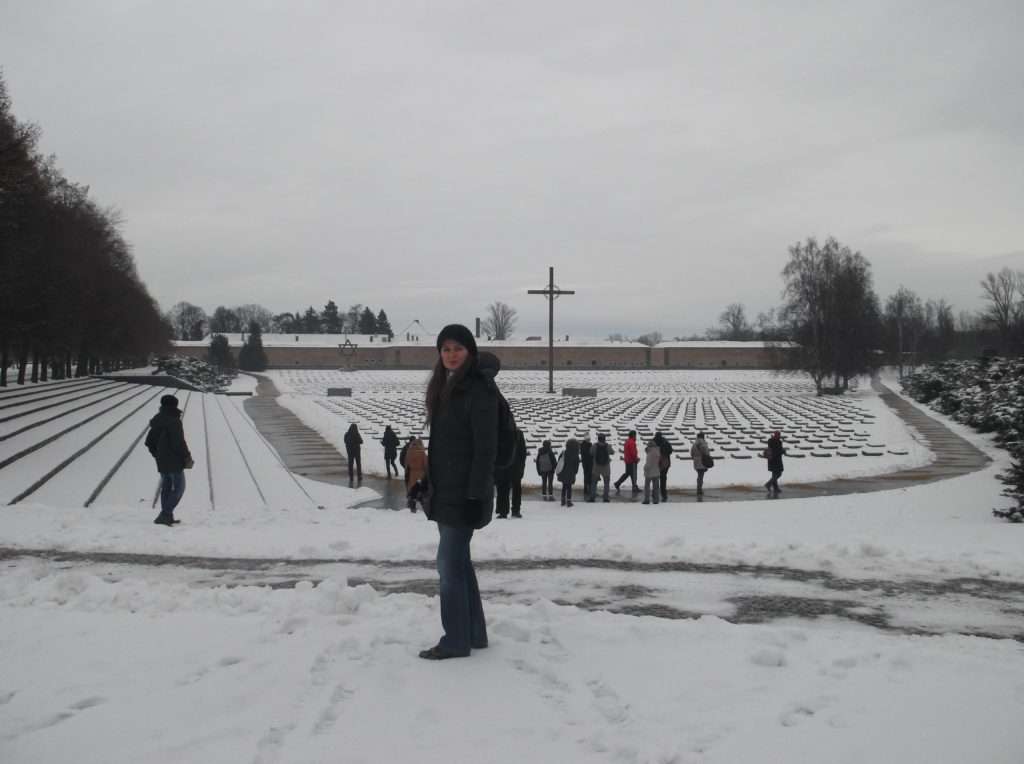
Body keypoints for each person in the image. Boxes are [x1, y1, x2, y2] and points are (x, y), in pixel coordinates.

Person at [419, 324, 498, 660]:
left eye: (458, 348)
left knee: (448, 566)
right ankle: (474, 634)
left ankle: (456, 640)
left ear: (470, 352)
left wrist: (474, 496)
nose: (451, 355)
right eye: (446, 349)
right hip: (446, 491)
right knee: (459, 564)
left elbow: (485, 448)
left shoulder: (478, 390)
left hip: (463, 495)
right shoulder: (447, 386)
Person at [144, 394, 193, 526]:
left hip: (162, 461)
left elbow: (149, 442)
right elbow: (179, 443)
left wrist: (157, 454)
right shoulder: (174, 421)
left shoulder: (157, 420)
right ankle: (165, 514)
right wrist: (187, 456)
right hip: (174, 461)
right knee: (179, 488)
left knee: (166, 487)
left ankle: (168, 516)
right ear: (174, 405)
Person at [496, 428, 527, 518]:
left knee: (503, 490)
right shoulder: (519, 433)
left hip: (504, 467)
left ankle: (503, 511)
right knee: (516, 490)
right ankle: (515, 510)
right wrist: (522, 466)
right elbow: (523, 452)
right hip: (516, 467)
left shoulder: (500, 432)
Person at [404, 437, 427, 511]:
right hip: (421, 473)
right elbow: (426, 464)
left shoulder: (409, 452)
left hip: (412, 473)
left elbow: (406, 463)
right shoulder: (422, 453)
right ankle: (424, 506)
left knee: (413, 489)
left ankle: (412, 506)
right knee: (421, 490)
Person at [557, 437, 581, 507]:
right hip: (571, 473)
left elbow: (559, 461)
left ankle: (562, 500)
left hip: (563, 472)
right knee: (569, 487)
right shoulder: (576, 455)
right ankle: (569, 501)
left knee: (564, 486)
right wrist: (575, 472)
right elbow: (576, 465)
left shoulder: (563, 453)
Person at [592, 434, 614, 502]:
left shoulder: (595, 446)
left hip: (596, 467)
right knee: (606, 483)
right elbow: (612, 452)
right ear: (604, 439)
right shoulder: (607, 446)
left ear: (598, 439)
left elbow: (591, 452)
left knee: (594, 483)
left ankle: (592, 497)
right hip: (606, 467)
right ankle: (605, 497)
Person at [764, 431, 786, 495]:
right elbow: (774, 450)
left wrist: (782, 451)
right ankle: (770, 485)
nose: (779, 436)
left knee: (778, 474)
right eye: (777, 435)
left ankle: (772, 486)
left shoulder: (779, 442)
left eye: (779, 435)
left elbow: (779, 449)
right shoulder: (771, 441)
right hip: (773, 460)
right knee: (775, 474)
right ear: (775, 435)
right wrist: (781, 451)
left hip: (778, 459)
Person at [654, 431, 673, 502]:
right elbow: (670, 451)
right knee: (663, 479)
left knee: (655, 478)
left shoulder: (653, 442)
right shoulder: (665, 442)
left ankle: (654, 494)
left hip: (656, 463)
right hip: (665, 463)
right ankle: (664, 495)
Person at [690, 432, 711, 496]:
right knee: (701, 476)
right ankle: (699, 490)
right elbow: (706, 453)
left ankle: (699, 489)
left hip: (696, 462)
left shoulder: (694, 444)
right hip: (702, 461)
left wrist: (695, 458)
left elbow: (692, 453)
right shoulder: (703, 443)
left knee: (700, 475)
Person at [642, 438, 661, 504]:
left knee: (647, 486)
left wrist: (644, 468)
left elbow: (648, 464)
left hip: (649, 473)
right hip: (656, 471)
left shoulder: (650, 453)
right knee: (656, 487)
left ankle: (647, 499)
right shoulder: (658, 451)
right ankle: (656, 500)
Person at [580, 436, 595, 502]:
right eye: (588, 439)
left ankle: (586, 489)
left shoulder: (582, 445)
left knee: (586, 476)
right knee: (588, 476)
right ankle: (588, 490)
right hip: (588, 463)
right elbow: (589, 454)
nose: (589, 440)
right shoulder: (588, 445)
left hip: (585, 463)